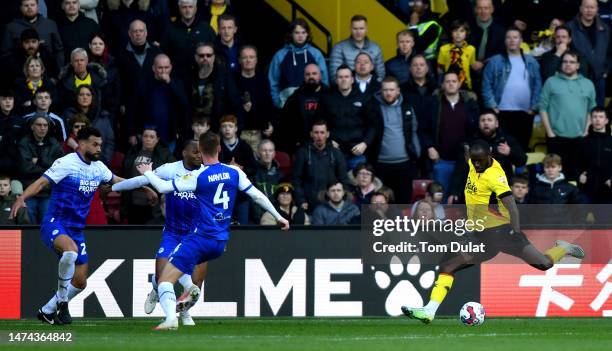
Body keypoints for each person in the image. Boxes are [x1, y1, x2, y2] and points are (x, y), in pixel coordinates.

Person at [401, 140, 586, 324]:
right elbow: (466, 148)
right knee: (447, 266)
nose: (476, 164)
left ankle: (563, 247)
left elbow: (512, 208)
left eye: (480, 160)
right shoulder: (473, 162)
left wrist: (515, 231)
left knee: (544, 264)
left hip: (502, 232)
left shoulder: (495, 176)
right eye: (474, 160)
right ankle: (429, 311)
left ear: (489, 156)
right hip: (480, 235)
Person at [136, 131, 289, 330]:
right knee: (183, 270)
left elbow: (164, 188)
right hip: (220, 242)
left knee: (164, 279)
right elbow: (257, 196)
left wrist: (147, 171)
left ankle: (171, 318)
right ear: (219, 148)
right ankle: (188, 294)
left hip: (199, 238)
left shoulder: (197, 176)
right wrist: (279, 216)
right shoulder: (234, 172)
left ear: (200, 150)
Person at [10, 127, 131, 325]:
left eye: (100, 144)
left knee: (81, 282)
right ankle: (63, 303)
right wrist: (22, 198)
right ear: (82, 144)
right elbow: (42, 183)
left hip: (76, 229)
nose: (99, 148)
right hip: (55, 223)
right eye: (95, 144)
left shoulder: (99, 167)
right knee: (71, 252)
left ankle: (48, 310)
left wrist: (144, 185)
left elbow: (117, 181)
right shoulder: (66, 163)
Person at [112, 140, 208, 326]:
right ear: (184, 153)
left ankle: (184, 313)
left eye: (201, 152)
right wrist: (114, 187)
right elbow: (141, 180)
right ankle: (157, 292)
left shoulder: (205, 173)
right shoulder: (170, 169)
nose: (199, 155)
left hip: (196, 235)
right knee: (162, 276)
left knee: (196, 284)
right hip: (173, 233)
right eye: (195, 152)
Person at [482, 27, 542, 151]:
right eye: (509, 37)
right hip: (501, 112)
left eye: (515, 37)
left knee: (521, 148)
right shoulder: (494, 61)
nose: (512, 40)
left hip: (525, 113)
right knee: (501, 149)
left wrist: (534, 107)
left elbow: (538, 85)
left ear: (521, 40)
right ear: (505, 41)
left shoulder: (531, 61)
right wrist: (492, 106)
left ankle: (520, 171)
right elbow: (486, 84)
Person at [539, 51, 596, 180]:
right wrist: (550, 133)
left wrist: (586, 131)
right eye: (565, 62)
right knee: (555, 176)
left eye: (572, 62)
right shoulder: (551, 82)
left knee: (578, 176)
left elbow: (591, 109)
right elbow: (542, 108)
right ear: (561, 64)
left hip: (580, 137)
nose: (568, 65)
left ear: (578, 65)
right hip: (556, 137)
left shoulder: (588, 84)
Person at [422, 71, 479, 194]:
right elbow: (423, 129)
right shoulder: (434, 104)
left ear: (459, 84)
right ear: (442, 85)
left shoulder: (470, 104)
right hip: (441, 160)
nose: (451, 84)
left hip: (464, 161)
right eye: (447, 81)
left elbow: (476, 130)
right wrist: (430, 147)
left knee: (462, 198)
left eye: (454, 81)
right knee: (440, 197)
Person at [370, 76, 421, 204]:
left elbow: (413, 131)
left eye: (391, 90)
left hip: (404, 163)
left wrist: (417, 152)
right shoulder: (373, 108)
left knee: (402, 203)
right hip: (381, 164)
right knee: (381, 204)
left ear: (398, 91)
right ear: (381, 91)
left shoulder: (407, 108)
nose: (388, 93)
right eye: (385, 90)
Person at [318, 64, 376, 169]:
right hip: (334, 152)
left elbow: (372, 125)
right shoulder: (327, 99)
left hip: (357, 153)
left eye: (346, 77)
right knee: (335, 184)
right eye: (340, 77)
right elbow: (320, 123)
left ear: (352, 80)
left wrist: (365, 144)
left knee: (358, 184)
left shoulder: (364, 98)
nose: (343, 80)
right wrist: (328, 140)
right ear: (336, 80)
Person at [127, 54, 190, 149]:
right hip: (147, 136)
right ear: (154, 68)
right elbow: (132, 109)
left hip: (169, 135)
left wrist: (169, 82)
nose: (164, 71)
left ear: (171, 67)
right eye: (160, 68)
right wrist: (132, 133)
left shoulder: (177, 83)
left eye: (166, 67)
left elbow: (184, 103)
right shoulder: (144, 84)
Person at [268, 18, 329, 109]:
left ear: (307, 34)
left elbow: (324, 80)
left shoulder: (316, 54)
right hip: (286, 104)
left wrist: (324, 100)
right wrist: (277, 102)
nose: (300, 36)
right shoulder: (280, 55)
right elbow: (273, 81)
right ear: (291, 34)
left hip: (312, 103)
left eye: (303, 32)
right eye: (297, 33)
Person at [292, 120, 349, 211]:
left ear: (328, 134)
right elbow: (296, 180)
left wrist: (343, 201)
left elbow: (344, 179)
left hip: (332, 204)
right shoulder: (302, 153)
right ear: (311, 134)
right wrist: (301, 200)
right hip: (308, 204)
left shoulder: (336, 154)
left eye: (322, 132)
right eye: (316, 132)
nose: (319, 136)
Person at [122, 125, 174, 224]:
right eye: (145, 136)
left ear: (157, 139)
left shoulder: (164, 154)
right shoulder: (133, 151)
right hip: (132, 201)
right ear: (141, 137)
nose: (148, 139)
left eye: (151, 137)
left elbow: (171, 175)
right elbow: (125, 173)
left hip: (153, 203)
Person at [161, 0, 215, 83]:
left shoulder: (206, 29)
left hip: (203, 79)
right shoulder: (169, 30)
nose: (187, 10)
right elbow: (164, 54)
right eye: (184, 7)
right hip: (177, 79)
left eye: (190, 7)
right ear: (179, 9)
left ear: (195, 8)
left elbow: (215, 52)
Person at [567, 0, 610, 106]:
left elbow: (610, 52)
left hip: (599, 78)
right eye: (586, 7)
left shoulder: (605, 29)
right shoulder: (570, 28)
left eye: (592, 7)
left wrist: (606, 71)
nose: (589, 10)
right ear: (580, 9)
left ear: (597, 10)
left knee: (598, 115)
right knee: (578, 111)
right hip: (577, 79)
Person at [279, 63, 328, 154]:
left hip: (325, 145)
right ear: (304, 77)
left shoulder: (329, 94)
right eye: (308, 74)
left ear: (320, 76)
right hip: (302, 146)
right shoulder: (296, 96)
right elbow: (287, 121)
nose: (311, 77)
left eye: (314, 73)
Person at [189, 42, 239, 131]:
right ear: (196, 57)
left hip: (218, 130)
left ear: (214, 57)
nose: (205, 58)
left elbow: (235, 104)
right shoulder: (189, 78)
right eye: (201, 55)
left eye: (208, 55)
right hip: (195, 130)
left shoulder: (224, 77)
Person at [2, 0, 65, 70]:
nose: (29, 8)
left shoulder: (50, 24)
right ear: (21, 8)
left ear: (38, 7)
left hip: (48, 73)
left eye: (32, 5)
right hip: (20, 74)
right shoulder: (12, 27)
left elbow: (59, 50)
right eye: (26, 5)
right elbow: (6, 54)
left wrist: (60, 72)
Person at [218, 114, 256, 224]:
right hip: (221, 195)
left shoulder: (245, 147)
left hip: (241, 195)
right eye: (224, 126)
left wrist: (240, 169)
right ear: (220, 129)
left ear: (236, 128)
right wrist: (228, 168)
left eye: (230, 126)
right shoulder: (217, 147)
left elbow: (254, 169)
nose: (227, 129)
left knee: (242, 228)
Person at [235, 45, 274, 151]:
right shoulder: (233, 80)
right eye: (245, 57)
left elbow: (269, 104)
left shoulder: (263, 80)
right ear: (239, 60)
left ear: (256, 60)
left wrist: (270, 123)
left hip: (258, 133)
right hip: (238, 133)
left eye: (251, 57)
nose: (248, 60)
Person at [63, 84, 115, 163]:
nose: (85, 97)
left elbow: (109, 142)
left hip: (100, 162)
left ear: (92, 97)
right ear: (76, 97)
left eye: (88, 94)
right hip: (74, 163)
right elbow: (65, 139)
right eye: (81, 94)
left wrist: (105, 160)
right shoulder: (68, 116)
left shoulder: (103, 117)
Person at [329, 15, 385, 79]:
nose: (358, 32)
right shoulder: (339, 48)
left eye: (361, 28)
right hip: (348, 87)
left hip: (372, 87)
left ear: (366, 29)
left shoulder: (376, 48)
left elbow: (381, 75)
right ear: (350, 29)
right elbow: (335, 75)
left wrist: (373, 87)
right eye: (355, 28)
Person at [57, 48, 109, 112]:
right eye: (76, 61)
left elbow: (107, 102)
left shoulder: (99, 79)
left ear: (87, 61)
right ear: (71, 63)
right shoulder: (64, 82)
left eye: (82, 60)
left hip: (97, 117)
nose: (79, 63)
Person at [578, 107, 612, 205]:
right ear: (591, 120)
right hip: (586, 190)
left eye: (601, 117)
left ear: (606, 121)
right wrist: (579, 175)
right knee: (582, 219)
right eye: (595, 117)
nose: (597, 120)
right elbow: (575, 164)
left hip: (607, 191)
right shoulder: (583, 142)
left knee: (605, 220)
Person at [437, 20, 479, 90]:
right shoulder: (444, 49)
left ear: (466, 33)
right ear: (451, 33)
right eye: (455, 31)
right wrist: (440, 84)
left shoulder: (471, 49)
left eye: (462, 31)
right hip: (449, 84)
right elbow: (440, 69)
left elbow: (472, 65)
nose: (458, 34)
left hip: (465, 84)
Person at [252, 139, 285, 222]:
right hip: (259, 216)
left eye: (270, 151)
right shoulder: (253, 173)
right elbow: (252, 200)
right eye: (264, 150)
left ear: (274, 154)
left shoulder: (280, 174)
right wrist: (261, 216)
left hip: (277, 215)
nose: (267, 154)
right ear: (258, 153)